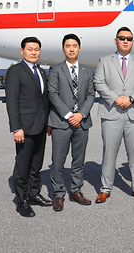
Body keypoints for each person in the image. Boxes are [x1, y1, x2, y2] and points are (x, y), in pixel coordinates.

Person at [93, 26, 134, 203]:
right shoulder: (104, 60)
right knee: (109, 153)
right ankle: (105, 189)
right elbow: (99, 82)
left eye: (128, 38)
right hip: (111, 113)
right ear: (115, 40)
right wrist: (116, 98)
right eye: (122, 37)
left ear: (132, 42)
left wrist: (131, 99)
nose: (125, 40)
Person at [48, 34, 95, 211]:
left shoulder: (87, 71)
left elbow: (91, 95)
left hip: (82, 123)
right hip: (61, 122)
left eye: (74, 45)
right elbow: (52, 94)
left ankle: (76, 191)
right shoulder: (55, 70)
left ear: (79, 49)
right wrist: (69, 115)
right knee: (58, 161)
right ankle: (58, 194)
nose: (71, 49)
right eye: (68, 46)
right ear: (63, 49)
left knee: (79, 160)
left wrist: (81, 114)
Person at [5, 36, 51, 217]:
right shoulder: (15, 71)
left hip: (41, 126)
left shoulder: (41, 71)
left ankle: (33, 194)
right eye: (30, 49)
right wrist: (16, 128)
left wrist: (48, 124)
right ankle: (22, 200)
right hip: (24, 128)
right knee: (23, 165)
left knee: (36, 164)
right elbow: (12, 102)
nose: (34, 52)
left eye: (37, 49)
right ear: (22, 51)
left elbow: (44, 100)